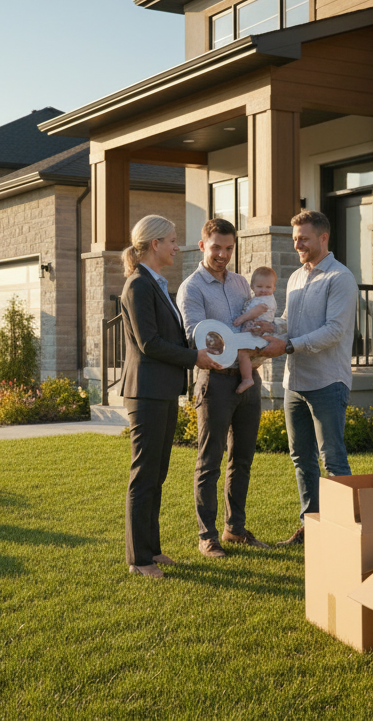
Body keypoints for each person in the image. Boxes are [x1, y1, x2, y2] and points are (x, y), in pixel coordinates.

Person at [120, 214, 223, 578]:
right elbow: (149, 343)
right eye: (173, 241)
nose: (177, 246)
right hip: (145, 393)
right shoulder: (138, 286)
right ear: (154, 245)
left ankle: (153, 550)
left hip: (161, 391)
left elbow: (170, 338)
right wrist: (194, 356)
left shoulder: (156, 284)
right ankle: (139, 559)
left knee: (157, 473)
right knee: (144, 475)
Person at [177, 218, 282, 558]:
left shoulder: (241, 284)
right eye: (216, 247)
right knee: (210, 461)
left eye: (228, 248)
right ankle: (207, 535)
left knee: (243, 458)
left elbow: (258, 320)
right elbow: (199, 336)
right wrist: (240, 342)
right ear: (202, 246)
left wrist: (268, 328)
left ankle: (234, 529)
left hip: (249, 380)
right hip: (217, 382)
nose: (222, 254)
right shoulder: (192, 288)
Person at [254, 210, 358, 546]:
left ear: (323, 237)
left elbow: (333, 331)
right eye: (295, 238)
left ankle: (346, 531)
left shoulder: (340, 278)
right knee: (301, 458)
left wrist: (287, 346)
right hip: (294, 383)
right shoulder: (297, 277)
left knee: (333, 458)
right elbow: (290, 320)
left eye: (303, 238)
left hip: (327, 381)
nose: (297, 244)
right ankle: (311, 526)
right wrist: (274, 327)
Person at [231, 267, 278, 395]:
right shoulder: (256, 297)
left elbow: (256, 311)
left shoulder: (266, 300)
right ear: (252, 287)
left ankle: (247, 379)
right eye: (259, 286)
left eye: (268, 287)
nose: (264, 290)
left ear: (274, 288)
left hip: (258, 333)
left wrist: (241, 319)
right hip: (253, 332)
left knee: (243, 352)